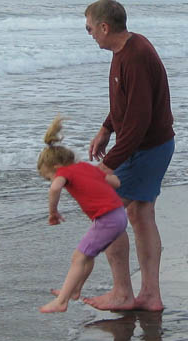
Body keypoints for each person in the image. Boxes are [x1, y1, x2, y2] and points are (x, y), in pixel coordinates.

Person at [84, 0, 175, 312]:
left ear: (105, 27)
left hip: (146, 150)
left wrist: (105, 167)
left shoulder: (135, 57)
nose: (90, 34)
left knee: (105, 213)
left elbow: (137, 125)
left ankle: (122, 293)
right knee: (140, 214)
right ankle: (150, 295)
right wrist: (106, 129)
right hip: (154, 146)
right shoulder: (127, 48)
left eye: (90, 29)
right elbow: (127, 104)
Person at [37, 116, 128, 314]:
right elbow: (116, 183)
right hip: (119, 216)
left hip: (107, 219)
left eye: (48, 176)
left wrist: (53, 212)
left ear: (55, 168)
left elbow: (55, 188)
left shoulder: (63, 172)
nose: (51, 180)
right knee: (88, 255)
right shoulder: (86, 168)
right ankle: (75, 290)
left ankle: (61, 301)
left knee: (78, 257)